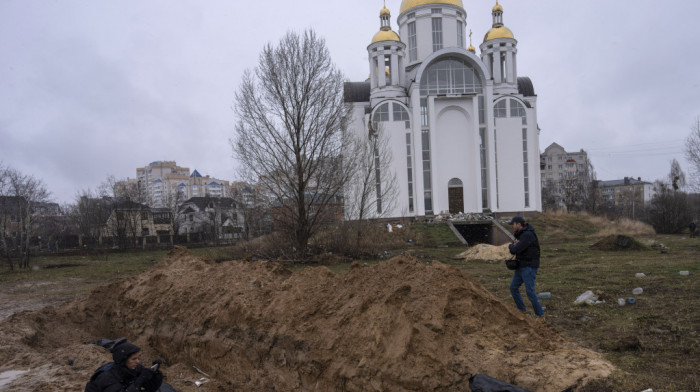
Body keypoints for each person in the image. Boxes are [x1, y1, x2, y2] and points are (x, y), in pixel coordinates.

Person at [507, 215, 545, 320]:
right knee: (513, 287)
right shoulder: (521, 234)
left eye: (513, 224)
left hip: (529, 266)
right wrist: (513, 246)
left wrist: (511, 246)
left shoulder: (527, 235)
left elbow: (515, 249)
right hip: (521, 265)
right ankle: (522, 310)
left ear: (518, 224)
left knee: (529, 291)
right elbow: (515, 247)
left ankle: (540, 315)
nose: (512, 226)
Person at [89, 341, 163, 392]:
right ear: (123, 361)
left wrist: (155, 374)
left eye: (137, 358)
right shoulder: (107, 377)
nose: (137, 361)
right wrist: (140, 379)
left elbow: (151, 388)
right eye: (134, 359)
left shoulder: (134, 368)